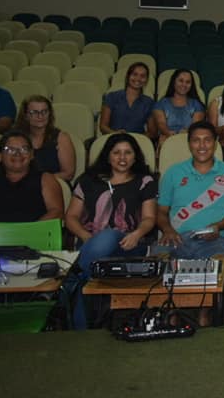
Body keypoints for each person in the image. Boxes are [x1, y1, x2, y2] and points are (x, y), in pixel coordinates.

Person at [64, 133, 157, 329]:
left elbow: (149, 218)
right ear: (108, 155)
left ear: (135, 156)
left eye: (128, 153)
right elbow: (70, 217)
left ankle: (74, 277)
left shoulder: (144, 181)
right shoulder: (88, 180)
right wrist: (87, 238)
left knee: (108, 236)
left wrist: (137, 234)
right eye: (116, 153)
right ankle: (83, 323)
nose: (122, 158)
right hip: (90, 244)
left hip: (128, 244)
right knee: (97, 255)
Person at [154, 121, 224, 264]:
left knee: (222, 266)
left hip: (215, 241)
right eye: (196, 140)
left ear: (215, 143)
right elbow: (161, 211)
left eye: (207, 140)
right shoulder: (173, 172)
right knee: (154, 268)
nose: (202, 146)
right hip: (176, 239)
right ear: (189, 144)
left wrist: (218, 226)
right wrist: (167, 230)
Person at [0, 130, 64, 222]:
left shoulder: (46, 180)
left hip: (35, 234)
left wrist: (27, 231)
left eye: (24, 149)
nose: (17, 154)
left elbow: (57, 212)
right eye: (10, 150)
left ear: (32, 155)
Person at [13, 95, 77, 182]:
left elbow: (68, 174)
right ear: (26, 115)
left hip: (54, 185)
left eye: (44, 111)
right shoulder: (15, 138)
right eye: (34, 112)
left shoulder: (61, 138)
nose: (40, 116)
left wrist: (38, 181)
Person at [152, 69, 205, 147]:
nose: (184, 84)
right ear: (174, 82)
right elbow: (161, 124)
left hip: (189, 141)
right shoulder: (161, 103)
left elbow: (194, 127)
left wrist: (181, 136)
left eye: (188, 82)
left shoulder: (197, 105)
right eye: (181, 81)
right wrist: (169, 134)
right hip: (167, 139)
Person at [99, 61, 154, 135]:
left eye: (142, 76)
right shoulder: (111, 97)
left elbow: (152, 132)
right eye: (134, 74)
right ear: (128, 76)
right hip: (113, 139)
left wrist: (136, 139)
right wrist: (116, 134)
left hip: (137, 142)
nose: (138, 78)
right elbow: (103, 126)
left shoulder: (149, 102)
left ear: (146, 80)